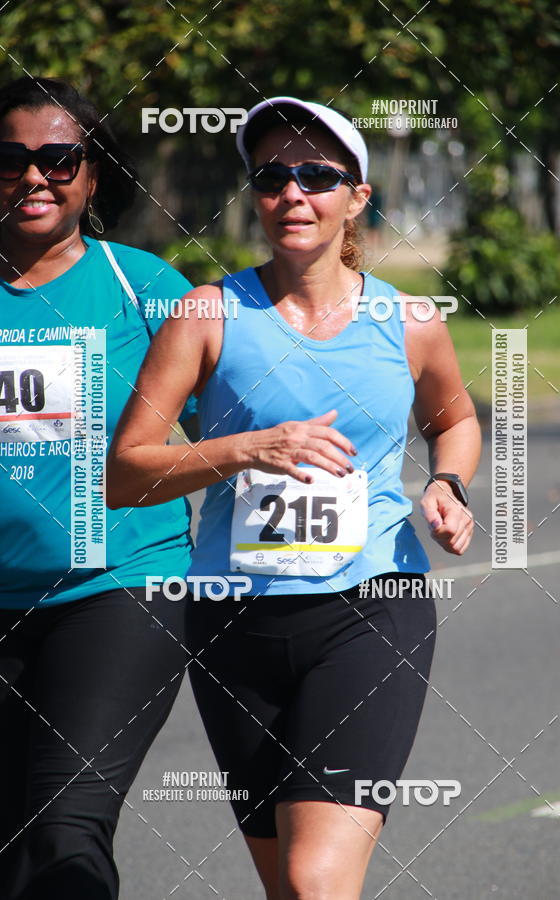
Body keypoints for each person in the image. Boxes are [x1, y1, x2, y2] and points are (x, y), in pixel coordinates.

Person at [107, 96, 480, 900]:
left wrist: (448, 482)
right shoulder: (207, 314)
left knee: (316, 878)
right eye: (273, 176)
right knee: (287, 887)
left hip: (371, 605)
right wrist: (249, 448)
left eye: (317, 175)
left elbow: (456, 422)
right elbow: (125, 472)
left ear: (358, 197)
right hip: (234, 620)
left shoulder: (409, 320)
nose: (292, 194)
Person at [0, 77, 197, 900]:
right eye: (11, 160)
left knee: (65, 829)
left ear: (90, 174)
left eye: (58, 159)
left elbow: (264, 407)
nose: (34, 177)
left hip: (121, 587)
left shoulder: (142, 288)